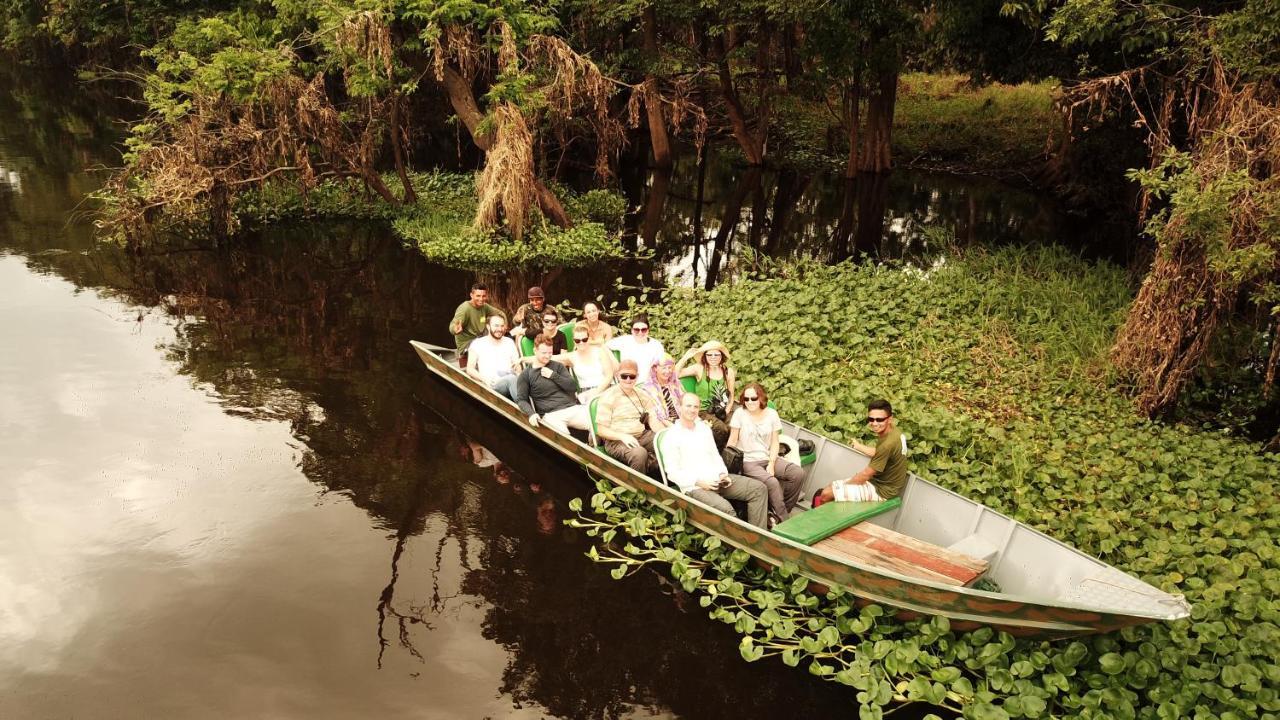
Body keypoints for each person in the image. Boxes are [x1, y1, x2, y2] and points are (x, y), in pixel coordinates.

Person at [662, 393, 769, 529]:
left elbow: (715, 456)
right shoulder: (671, 435)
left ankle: (758, 537)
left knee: (758, 489)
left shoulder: (704, 428)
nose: (692, 410)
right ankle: (741, 544)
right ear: (680, 407)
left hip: (717, 480)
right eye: (688, 406)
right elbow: (672, 472)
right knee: (727, 511)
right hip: (696, 487)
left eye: (696, 406)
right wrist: (699, 482)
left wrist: (722, 474)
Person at [728, 383, 805, 526]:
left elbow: (775, 442)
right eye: (746, 399)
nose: (750, 402)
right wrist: (727, 463)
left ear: (761, 398)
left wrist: (771, 462)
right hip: (748, 461)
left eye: (754, 398)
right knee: (772, 482)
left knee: (797, 473)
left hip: (766, 456)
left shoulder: (771, 414)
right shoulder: (740, 413)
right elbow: (732, 440)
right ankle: (786, 522)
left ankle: (778, 515)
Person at [815, 399, 908, 504]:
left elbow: (865, 475)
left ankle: (818, 519)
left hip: (882, 491)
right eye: (871, 419)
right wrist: (858, 446)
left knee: (826, 494)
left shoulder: (888, 444)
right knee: (831, 486)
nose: (874, 423)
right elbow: (880, 453)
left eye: (879, 420)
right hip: (880, 483)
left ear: (890, 419)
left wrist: (843, 487)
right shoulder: (894, 432)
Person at [594, 359, 668, 473]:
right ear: (618, 376)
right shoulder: (608, 396)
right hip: (616, 440)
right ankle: (638, 487)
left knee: (667, 443)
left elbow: (653, 420)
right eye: (624, 376)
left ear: (637, 376)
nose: (628, 380)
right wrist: (622, 436)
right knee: (639, 453)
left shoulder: (642, 394)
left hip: (641, 435)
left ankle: (669, 481)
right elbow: (600, 429)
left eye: (632, 376)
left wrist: (666, 434)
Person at [515, 337, 591, 436]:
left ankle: (595, 445)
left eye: (550, 352)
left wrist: (553, 376)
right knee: (563, 438)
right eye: (544, 353)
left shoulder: (558, 366)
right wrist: (531, 414)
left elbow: (573, 387)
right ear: (535, 351)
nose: (547, 356)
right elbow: (521, 399)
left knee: (598, 423)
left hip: (571, 408)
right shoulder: (526, 375)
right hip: (551, 414)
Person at [674, 340, 736, 448]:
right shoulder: (699, 368)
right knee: (720, 428)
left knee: (736, 424)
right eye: (709, 354)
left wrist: (725, 411)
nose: (713, 357)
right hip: (703, 411)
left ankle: (732, 454)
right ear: (705, 356)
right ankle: (718, 454)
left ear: (721, 356)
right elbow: (674, 374)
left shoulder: (728, 371)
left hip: (722, 409)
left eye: (716, 354)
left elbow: (731, 396)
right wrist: (685, 358)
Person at [449, 283, 506, 366]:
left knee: (507, 337)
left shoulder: (484, 306)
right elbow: (452, 326)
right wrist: (455, 329)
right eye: (478, 296)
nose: (481, 299)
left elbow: (500, 313)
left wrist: (504, 326)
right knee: (489, 347)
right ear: (471, 295)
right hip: (467, 344)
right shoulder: (464, 309)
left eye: (484, 296)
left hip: (480, 338)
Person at [465, 315, 521, 400]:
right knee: (511, 379)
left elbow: (517, 365)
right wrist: (484, 379)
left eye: (502, 326)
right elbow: (470, 369)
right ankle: (527, 411)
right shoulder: (477, 344)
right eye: (496, 325)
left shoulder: (509, 342)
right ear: (488, 326)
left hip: (511, 380)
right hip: (492, 384)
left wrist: (519, 373)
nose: (500, 329)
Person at [560, 321, 617, 402]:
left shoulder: (600, 351)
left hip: (605, 388)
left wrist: (596, 393)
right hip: (586, 392)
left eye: (584, 339)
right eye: (577, 340)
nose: (581, 342)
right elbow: (547, 357)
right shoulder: (571, 356)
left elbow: (609, 376)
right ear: (573, 341)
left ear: (589, 339)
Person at [607, 312, 665, 383]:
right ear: (632, 330)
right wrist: (615, 362)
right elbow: (604, 346)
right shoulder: (624, 340)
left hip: (648, 385)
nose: (640, 333)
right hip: (627, 383)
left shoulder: (656, 345)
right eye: (636, 330)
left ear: (648, 330)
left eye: (643, 330)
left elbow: (662, 366)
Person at [643, 354, 685, 425]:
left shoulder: (674, 383)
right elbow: (656, 414)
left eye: (670, 367)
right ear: (655, 368)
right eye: (664, 368)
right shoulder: (649, 388)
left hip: (681, 420)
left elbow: (685, 402)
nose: (667, 371)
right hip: (662, 424)